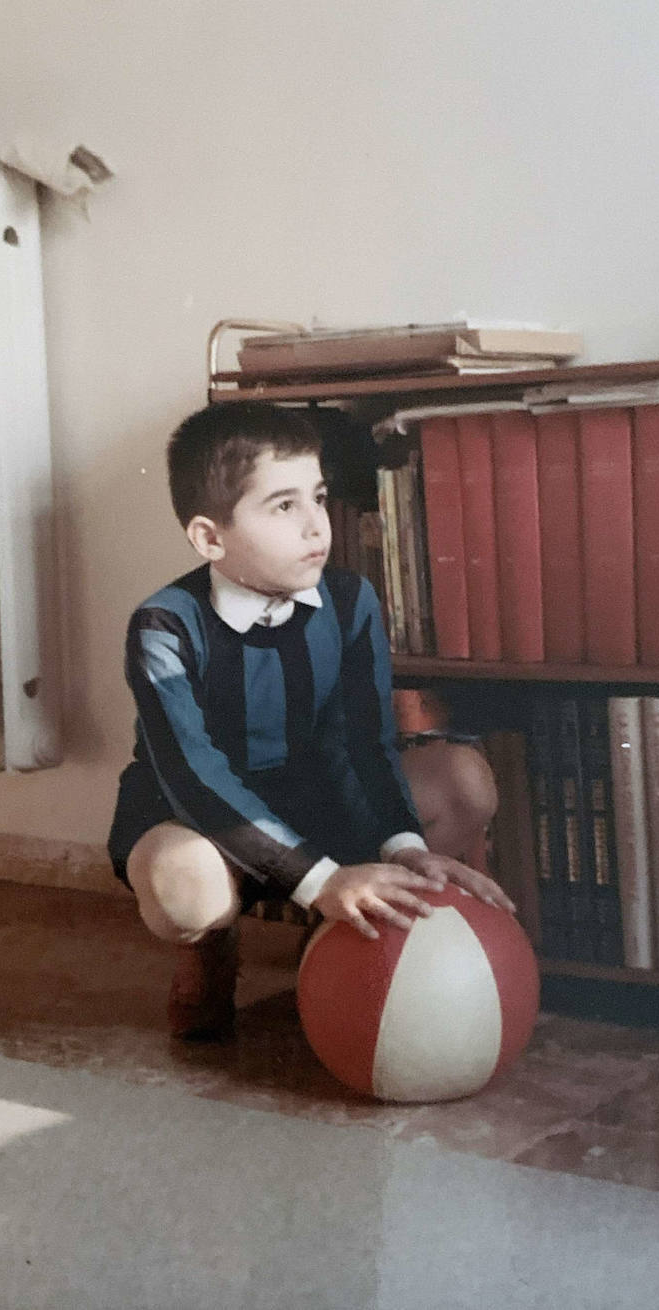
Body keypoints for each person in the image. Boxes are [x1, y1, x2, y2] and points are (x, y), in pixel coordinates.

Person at [108, 401, 513, 1041]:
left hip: (317, 797)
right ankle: (210, 947)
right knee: (186, 885)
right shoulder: (164, 625)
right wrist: (319, 879)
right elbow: (193, 772)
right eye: (283, 506)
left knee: (464, 781)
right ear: (211, 538)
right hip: (194, 812)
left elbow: (367, 742)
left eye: (318, 497)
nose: (317, 526)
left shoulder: (350, 602)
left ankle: (334, 944)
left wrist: (405, 847)